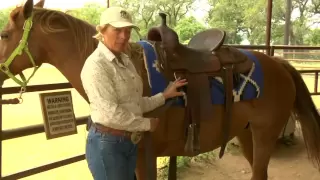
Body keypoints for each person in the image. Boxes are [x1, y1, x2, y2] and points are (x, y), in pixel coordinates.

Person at [80, 6, 188, 180]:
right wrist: (146, 124)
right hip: (108, 145)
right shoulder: (96, 66)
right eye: (117, 30)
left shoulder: (125, 60)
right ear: (102, 31)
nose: (124, 36)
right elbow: (110, 114)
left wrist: (164, 95)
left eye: (128, 30)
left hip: (128, 142)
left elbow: (135, 103)